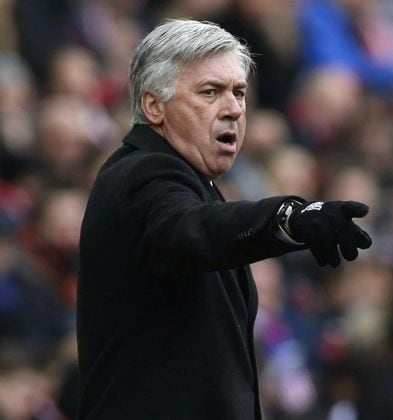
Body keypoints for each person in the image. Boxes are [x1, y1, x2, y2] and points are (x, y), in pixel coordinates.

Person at [76, 19, 372, 419]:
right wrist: (288, 217)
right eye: (210, 92)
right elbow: (191, 229)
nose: (233, 109)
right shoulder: (142, 173)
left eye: (239, 93)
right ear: (154, 106)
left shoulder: (195, 184)